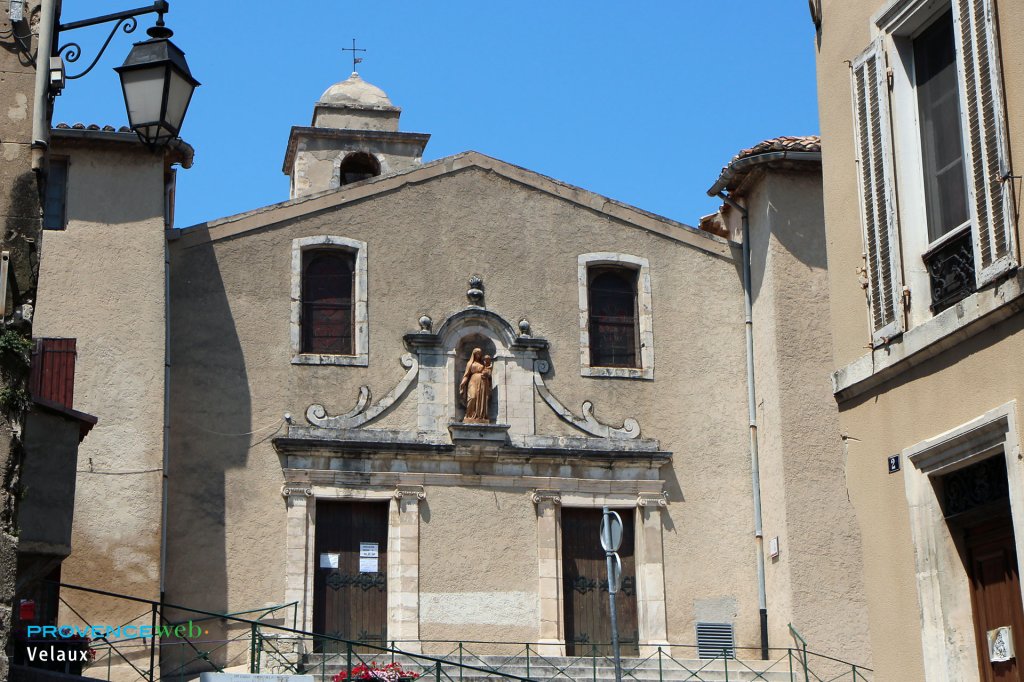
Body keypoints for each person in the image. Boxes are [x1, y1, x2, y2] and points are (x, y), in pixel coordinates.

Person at [459, 348, 493, 423]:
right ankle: (469, 415)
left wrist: (487, 372)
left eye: (480, 353)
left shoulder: (483, 364)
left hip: (483, 383)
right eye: (477, 353)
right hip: (473, 381)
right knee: (473, 397)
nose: (479, 355)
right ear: (474, 354)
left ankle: (481, 416)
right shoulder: (470, 363)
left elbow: (488, 372)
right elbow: (466, 375)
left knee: (482, 399)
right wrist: (462, 385)